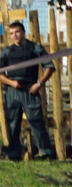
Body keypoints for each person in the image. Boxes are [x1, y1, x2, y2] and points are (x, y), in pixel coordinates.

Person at [0, 20, 57, 162]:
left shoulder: (35, 48)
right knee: (12, 124)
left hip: (30, 90)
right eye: (11, 33)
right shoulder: (6, 52)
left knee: (36, 121)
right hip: (13, 91)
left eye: (17, 32)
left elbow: (49, 66)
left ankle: (46, 153)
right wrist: (11, 83)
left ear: (24, 32)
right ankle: (13, 156)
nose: (15, 36)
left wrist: (39, 83)